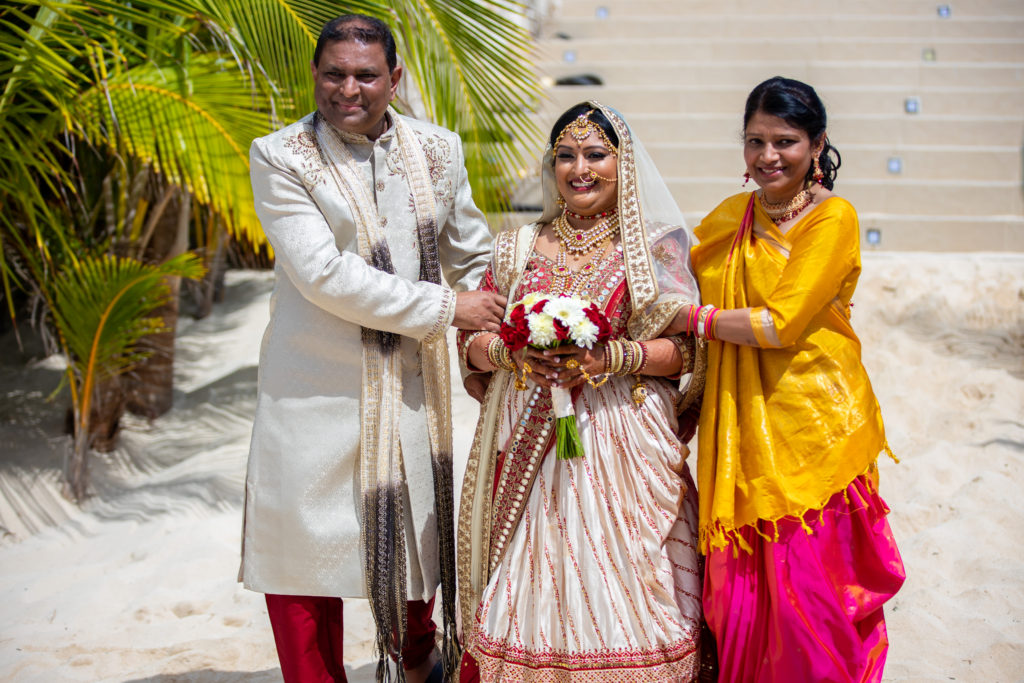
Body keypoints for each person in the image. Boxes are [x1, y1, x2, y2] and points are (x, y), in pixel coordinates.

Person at [239, 14, 505, 683]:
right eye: (333, 73)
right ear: (314, 74)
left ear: (395, 76)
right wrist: (451, 308)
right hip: (312, 387)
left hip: (410, 380)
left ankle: (419, 657)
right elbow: (324, 273)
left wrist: (496, 328)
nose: (347, 89)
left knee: (419, 532)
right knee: (299, 550)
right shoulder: (281, 155)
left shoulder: (436, 149)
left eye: (364, 74)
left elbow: (472, 252)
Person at [456, 101, 706, 682]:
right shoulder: (515, 247)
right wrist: (512, 352)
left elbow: (685, 352)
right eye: (566, 155)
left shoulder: (655, 247)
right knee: (531, 575)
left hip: (619, 438)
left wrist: (608, 357)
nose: (580, 168)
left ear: (624, 166)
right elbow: (471, 340)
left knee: (622, 577)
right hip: (525, 433)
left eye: (596, 155)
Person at [676, 76, 906, 682]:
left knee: (811, 593)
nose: (768, 157)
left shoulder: (833, 218)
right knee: (742, 592)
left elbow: (780, 325)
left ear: (817, 144)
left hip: (813, 425)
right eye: (755, 141)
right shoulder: (729, 219)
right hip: (741, 420)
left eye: (786, 141)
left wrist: (693, 319)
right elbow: (681, 281)